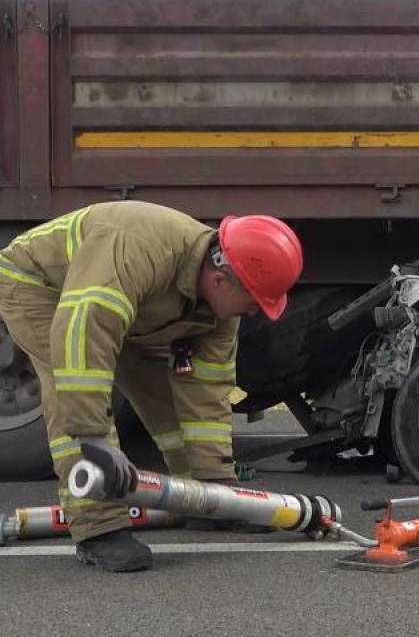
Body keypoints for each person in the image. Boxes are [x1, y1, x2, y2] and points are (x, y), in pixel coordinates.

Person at [0, 201, 303, 570]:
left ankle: (204, 502)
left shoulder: (222, 305)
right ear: (219, 280)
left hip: (130, 306)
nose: (257, 312)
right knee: (71, 387)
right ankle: (98, 528)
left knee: (167, 399)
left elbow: (206, 395)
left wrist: (218, 489)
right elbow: (83, 343)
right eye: (254, 302)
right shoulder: (138, 249)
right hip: (41, 285)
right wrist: (93, 437)